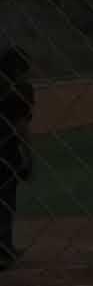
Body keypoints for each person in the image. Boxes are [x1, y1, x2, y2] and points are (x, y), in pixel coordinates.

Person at [0, 46, 34, 271]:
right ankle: (3, 251)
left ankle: (6, 248)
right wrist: (29, 156)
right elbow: (21, 126)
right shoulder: (21, 89)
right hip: (7, 152)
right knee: (5, 202)